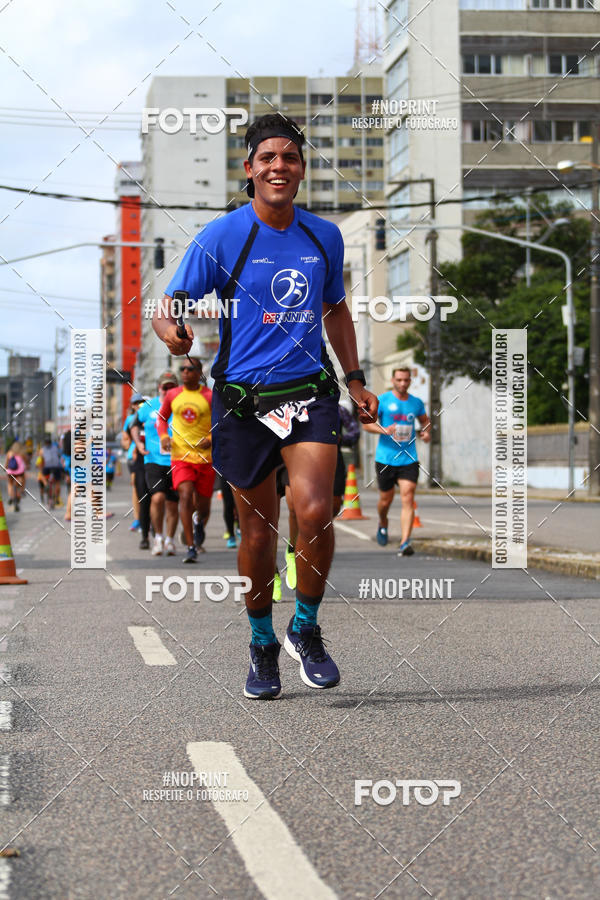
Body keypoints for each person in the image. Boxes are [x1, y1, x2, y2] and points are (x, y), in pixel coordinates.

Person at [152, 113, 377, 700]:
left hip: (309, 392)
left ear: (302, 168)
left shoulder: (324, 236)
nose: (280, 166)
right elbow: (170, 302)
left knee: (315, 509)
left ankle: (305, 628)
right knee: (257, 530)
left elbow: (335, 310)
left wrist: (354, 379)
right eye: (268, 158)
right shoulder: (223, 237)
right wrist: (170, 329)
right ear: (250, 169)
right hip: (244, 401)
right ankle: (261, 641)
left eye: (291, 157)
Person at [362, 367, 431, 556]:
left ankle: (405, 542)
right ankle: (383, 522)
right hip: (385, 458)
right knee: (386, 500)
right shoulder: (382, 400)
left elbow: (426, 421)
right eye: (399, 380)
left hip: (409, 458)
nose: (403, 383)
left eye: (406, 380)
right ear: (393, 380)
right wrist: (383, 430)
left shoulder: (416, 403)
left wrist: (426, 433)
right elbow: (366, 424)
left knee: (408, 496)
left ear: (410, 381)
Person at [156, 359, 214, 564]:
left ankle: (198, 523)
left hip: (205, 459)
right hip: (181, 457)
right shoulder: (173, 395)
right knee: (186, 496)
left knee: (203, 506)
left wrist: (211, 439)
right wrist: (164, 437)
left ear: (199, 373)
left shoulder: (209, 396)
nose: (185, 372)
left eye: (190, 369)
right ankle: (191, 547)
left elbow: (222, 422)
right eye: (183, 369)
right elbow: (161, 419)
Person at [130, 371, 179, 557]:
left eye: (171, 386)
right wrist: (139, 444)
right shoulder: (149, 406)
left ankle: (170, 540)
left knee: (173, 505)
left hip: (177, 460)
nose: (168, 390)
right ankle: (158, 537)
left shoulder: (182, 405)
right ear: (159, 388)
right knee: (157, 498)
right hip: (154, 460)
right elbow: (134, 425)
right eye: (165, 387)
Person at [123, 394, 151, 549]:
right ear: (132, 405)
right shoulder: (130, 420)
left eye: (142, 402)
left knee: (152, 491)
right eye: (136, 403)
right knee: (137, 487)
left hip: (151, 456)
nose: (139, 405)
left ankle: (149, 520)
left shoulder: (151, 415)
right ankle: (138, 518)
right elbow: (125, 439)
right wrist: (130, 446)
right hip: (134, 458)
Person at [40, 436, 62, 508]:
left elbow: (41, 459)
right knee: (57, 482)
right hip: (56, 467)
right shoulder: (56, 448)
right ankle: (57, 498)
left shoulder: (42, 449)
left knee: (42, 475)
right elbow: (59, 456)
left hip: (47, 467)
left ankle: (46, 484)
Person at [5, 443, 27, 511]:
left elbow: (6, 463)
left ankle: (11, 497)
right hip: (20, 472)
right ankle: (22, 491)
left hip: (10, 472)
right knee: (22, 480)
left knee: (10, 484)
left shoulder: (9, 453)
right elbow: (25, 462)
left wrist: (6, 468)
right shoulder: (22, 453)